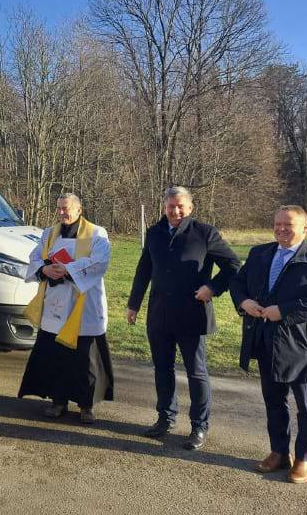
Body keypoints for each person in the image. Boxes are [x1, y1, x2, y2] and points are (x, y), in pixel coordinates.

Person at [230, 205, 307, 484]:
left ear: (305, 228)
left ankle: (304, 459)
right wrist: (244, 301)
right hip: (267, 342)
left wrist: (284, 311)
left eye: (288, 225)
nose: (281, 229)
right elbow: (237, 283)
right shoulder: (259, 253)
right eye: (277, 224)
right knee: (274, 402)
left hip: (304, 348)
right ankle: (279, 453)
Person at [126, 186, 240, 450]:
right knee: (162, 369)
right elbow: (143, 270)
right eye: (170, 206)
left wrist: (212, 288)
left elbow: (233, 265)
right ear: (164, 207)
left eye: (180, 206)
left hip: (192, 315)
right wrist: (133, 305)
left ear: (190, 208)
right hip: (159, 314)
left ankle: (199, 426)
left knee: (196, 373)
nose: (175, 211)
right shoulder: (154, 233)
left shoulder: (205, 233)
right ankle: (165, 419)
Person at [18, 193, 114, 424]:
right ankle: (58, 401)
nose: (62, 213)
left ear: (79, 210)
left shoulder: (96, 234)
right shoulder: (49, 233)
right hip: (56, 304)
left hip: (84, 305)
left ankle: (86, 405)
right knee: (56, 357)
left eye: (66, 208)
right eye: (59, 208)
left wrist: (68, 269)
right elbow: (34, 258)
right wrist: (44, 270)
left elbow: (100, 261)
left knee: (85, 360)